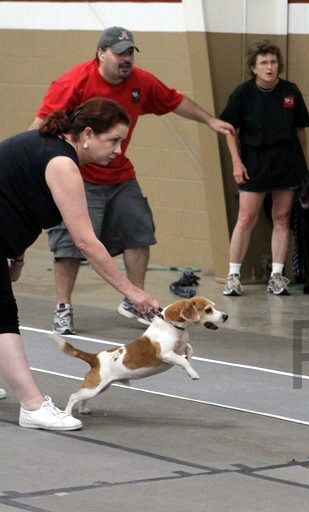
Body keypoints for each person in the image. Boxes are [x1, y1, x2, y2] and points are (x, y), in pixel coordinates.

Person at [29, 26, 234, 335]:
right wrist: (28, 164)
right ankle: (63, 308)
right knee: (71, 243)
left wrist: (210, 120)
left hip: (120, 176)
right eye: (120, 53)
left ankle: (133, 301)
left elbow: (175, 101)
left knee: (139, 230)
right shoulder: (74, 82)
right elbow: (40, 124)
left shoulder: (141, 82)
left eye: (130, 54)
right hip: (79, 176)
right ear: (101, 53)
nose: (126, 60)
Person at [1, 97, 160, 430]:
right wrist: (133, 292)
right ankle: (32, 406)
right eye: (113, 140)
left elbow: (18, 199)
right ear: (87, 134)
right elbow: (86, 241)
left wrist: (17, 255)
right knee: (3, 317)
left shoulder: (50, 150)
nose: (119, 150)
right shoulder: (62, 163)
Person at [219, 40, 309, 297]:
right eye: (264, 63)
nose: (270, 67)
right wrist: (237, 162)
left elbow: (300, 130)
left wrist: (304, 165)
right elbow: (229, 130)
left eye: (273, 62)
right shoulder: (243, 93)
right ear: (254, 68)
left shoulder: (290, 92)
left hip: (286, 162)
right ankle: (233, 276)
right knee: (246, 218)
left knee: (282, 218)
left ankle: (277, 276)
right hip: (254, 162)